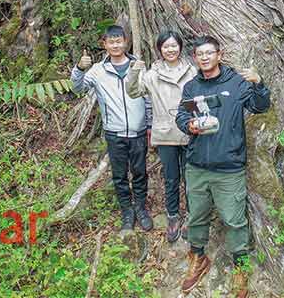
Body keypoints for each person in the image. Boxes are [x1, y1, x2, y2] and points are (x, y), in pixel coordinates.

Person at [175, 35, 271, 298]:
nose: (204, 57)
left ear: (219, 54)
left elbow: (260, 106)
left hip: (229, 167)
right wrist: (188, 125)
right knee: (196, 216)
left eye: (209, 53)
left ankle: (241, 267)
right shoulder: (192, 87)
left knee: (233, 220)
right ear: (195, 58)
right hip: (197, 165)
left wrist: (259, 83)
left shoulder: (236, 83)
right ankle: (198, 257)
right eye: (199, 54)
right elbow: (182, 115)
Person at [70, 25, 153, 232]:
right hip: (114, 133)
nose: (115, 45)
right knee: (119, 175)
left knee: (140, 172)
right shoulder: (98, 70)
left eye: (119, 41)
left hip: (139, 131)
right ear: (104, 44)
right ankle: (127, 211)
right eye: (111, 41)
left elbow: (148, 97)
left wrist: (150, 125)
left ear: (126, 42)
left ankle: (141, 208)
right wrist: (80, 68)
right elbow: (77, 88)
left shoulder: (138, 66)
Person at [127, 30, 197, 243]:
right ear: (160, 49)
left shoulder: (192, 71)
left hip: (190, 131)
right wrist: (133, 72)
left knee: (191, 177)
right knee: (171, 178)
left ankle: (192, 217)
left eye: (174, 45)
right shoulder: (151, 74)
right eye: (166, 46)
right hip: (166, 133)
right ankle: (173, 216)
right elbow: (133, 92)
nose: (170, 49)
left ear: (180, 47)